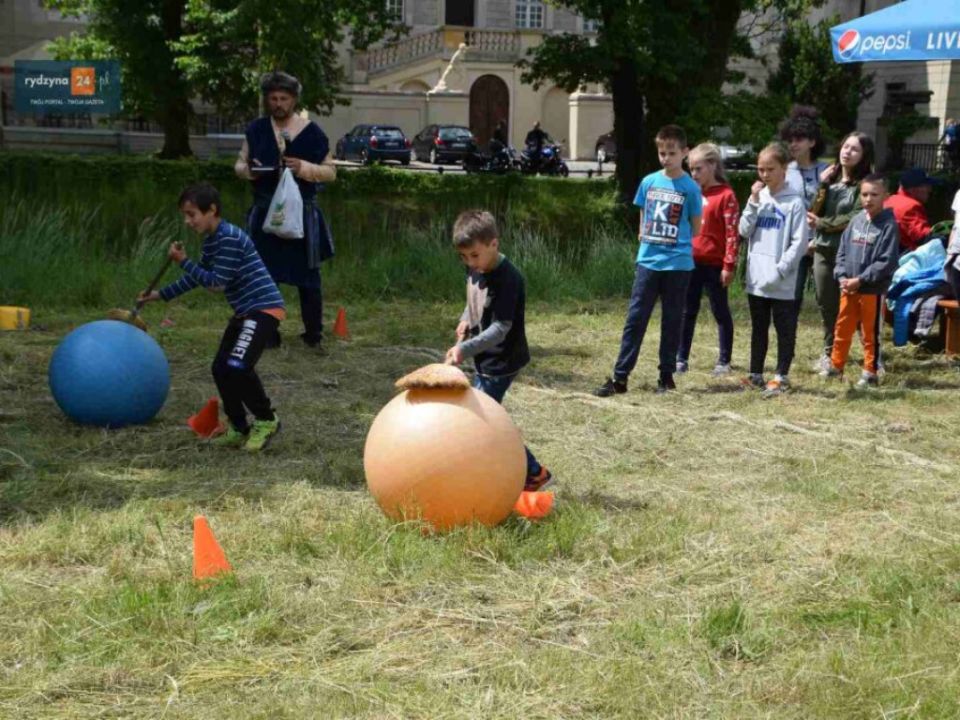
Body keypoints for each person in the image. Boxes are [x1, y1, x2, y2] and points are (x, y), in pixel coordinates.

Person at [138, 183, 285, 452]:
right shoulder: (212, 241)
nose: (187, 221)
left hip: (263, 309)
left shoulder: (228, 237)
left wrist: (183, 261)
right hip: (244, 312)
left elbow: (216, 283)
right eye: (185, 215)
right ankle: (239, 426)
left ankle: (266, 420)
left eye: (192, 214)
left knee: (238, 366)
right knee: (220, 368)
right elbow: (197, 277)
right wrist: (159, 295)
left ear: (212, 210)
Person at [444, 210, 553, 492]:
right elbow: (473, 297)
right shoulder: (476, 267)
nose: (470, 263)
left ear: (494, 244)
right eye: (463, 257)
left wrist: (464, 349)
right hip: (484, 357)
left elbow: (501, 328)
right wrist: (466, 318)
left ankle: (534, 472)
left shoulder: (509, 279)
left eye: (474, 255)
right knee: (483, 417)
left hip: (502, 360)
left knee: (485, 420)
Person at [594, 124, 703, 396]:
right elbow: (643, 211)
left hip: (677, 264)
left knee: (672, 320)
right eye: (662, 153)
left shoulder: (691, 188)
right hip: (648, 262)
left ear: (685, 153)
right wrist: (643, 231)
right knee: (636, 318)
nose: (666, 158)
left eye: (672, 153)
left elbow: (696, 227)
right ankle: (620, 378)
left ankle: (666, 376)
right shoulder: (649, 182)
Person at [235, 71, 335, 350]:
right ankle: (268, 334)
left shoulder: (312, 132)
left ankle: (313, 335)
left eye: (284, 99)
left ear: (293, 100)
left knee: (309, 279)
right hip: (265, 212)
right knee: (264, 276)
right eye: (274, 99)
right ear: (267, 100)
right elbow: (239, 164)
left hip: (302, 215)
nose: (278, 104)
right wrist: (250, 171)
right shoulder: (256, 130)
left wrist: (304, 168)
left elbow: (330, 172)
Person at [739, 143, 808, 398]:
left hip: (781, 280)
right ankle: (755, 373)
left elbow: (799, 242)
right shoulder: (758, 198)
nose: (765, 174)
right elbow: (744, 230)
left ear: (784, 169)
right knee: (759, 327)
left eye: (770, 169)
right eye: (761, 169)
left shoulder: (794, 202)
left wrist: (781, 270)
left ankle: (781, 376)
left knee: (783, 328)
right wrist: (753, 202)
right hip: (757, 277)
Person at [820, 174, 900, 388]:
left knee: (870, 332)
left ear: (886, 196)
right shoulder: (855, 220)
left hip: (872, 290)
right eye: (864, 194)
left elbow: (886, 262)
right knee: (842, 328)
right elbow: (842, 252)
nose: (868, 199)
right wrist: (842, 275)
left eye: (874, 194)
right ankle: (836, 366)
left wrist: (861, 279)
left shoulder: (889, 225)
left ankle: (870, 371)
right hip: (849, 288)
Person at [807, 131, 874, 372]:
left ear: (864, 155)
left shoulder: (865, 185)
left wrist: (822, 223)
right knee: (827, 304)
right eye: (846, 146)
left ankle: (872, 356)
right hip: (824, 250)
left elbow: (855, 216)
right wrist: (823, 185)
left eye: (855, 149)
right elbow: (814, 210)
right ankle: (830, 352)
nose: (848, 152)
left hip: (852, 252)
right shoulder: (830, 179)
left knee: (859, 305)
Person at [676, 143, 740, 376]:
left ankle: (724, 360)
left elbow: (732, 233)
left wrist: (729, 265)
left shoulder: (726, 195)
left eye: (698, 168)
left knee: (720, 311)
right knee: (687, 311)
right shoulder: (691, 193)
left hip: (714, 264)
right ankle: (681, 358)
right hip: (689, 261)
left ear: (712, 165)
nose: (693, 174)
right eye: (691, 169)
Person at [779, 106, 830, 316]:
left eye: (799, 139)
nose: (793, 144)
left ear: (812, 142)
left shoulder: (827, 171)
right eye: (790, 140)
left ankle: (832, 337)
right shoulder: (783, 171)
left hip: (822, 242)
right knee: (791, 297)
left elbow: (832, 208)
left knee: (826, 297)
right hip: (794, 243)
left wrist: (817, 239)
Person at [883, 167, 941, 253]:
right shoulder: (911, 206)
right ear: (913, 189)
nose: (930, 190)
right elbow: (923, 237)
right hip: (906, 257)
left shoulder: (890, 200)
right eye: (926, 186)